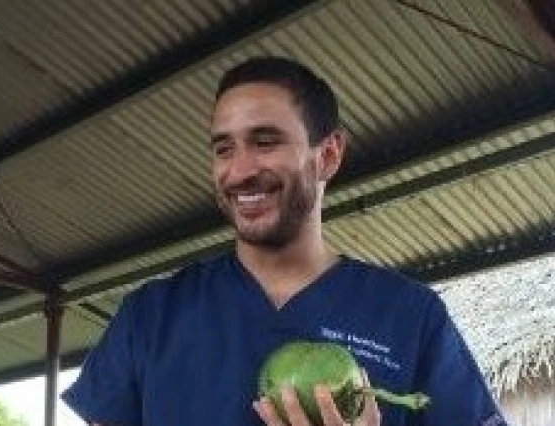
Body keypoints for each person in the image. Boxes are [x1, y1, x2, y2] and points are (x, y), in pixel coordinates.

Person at [62, 57, 508, 426]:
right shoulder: (150, 317)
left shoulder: (410, 315)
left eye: (265, 141)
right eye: (223, 149)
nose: (239, 172)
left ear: (327, 155)